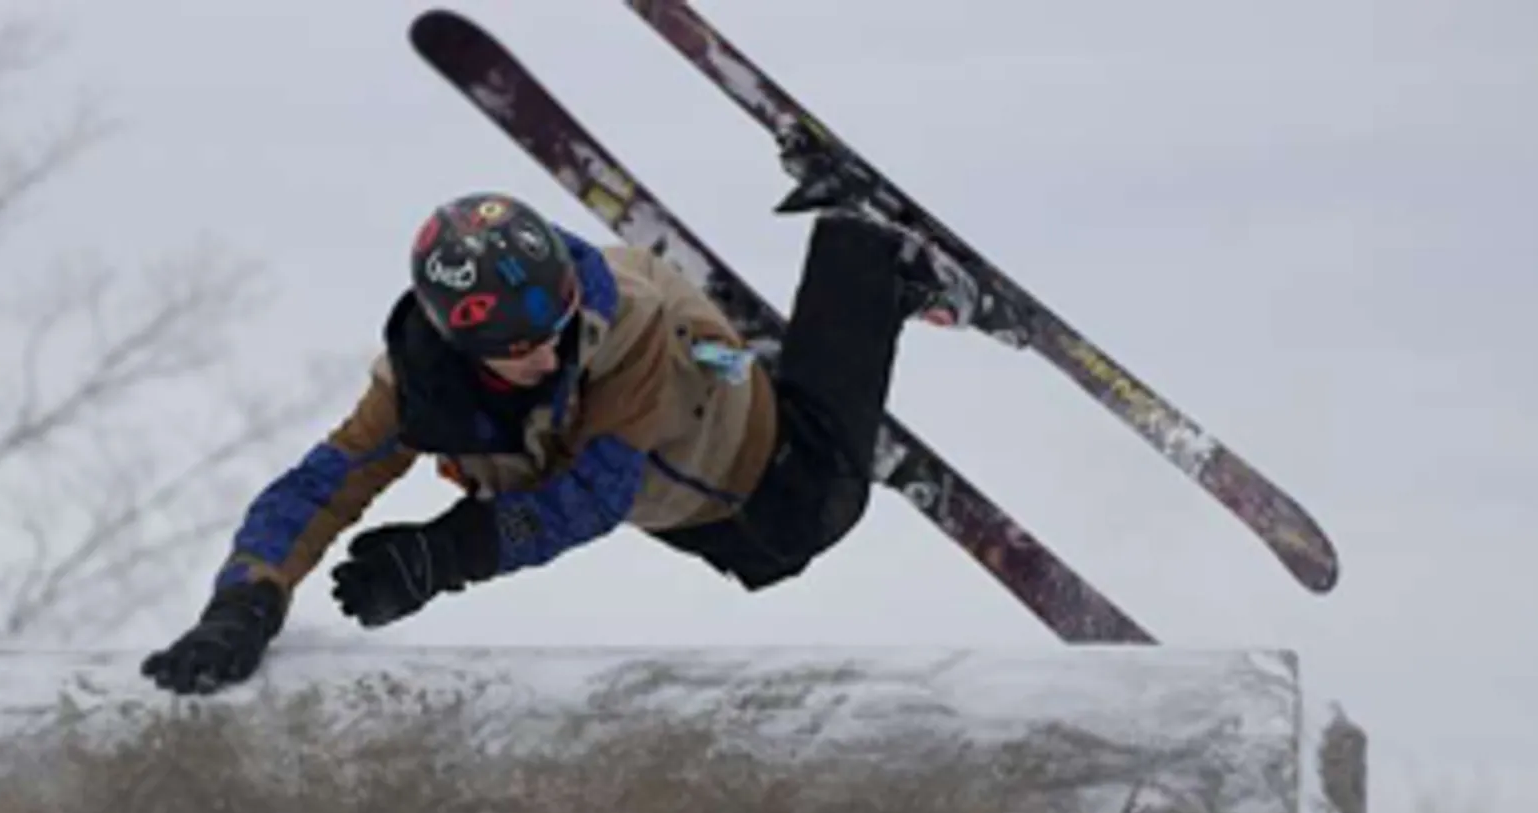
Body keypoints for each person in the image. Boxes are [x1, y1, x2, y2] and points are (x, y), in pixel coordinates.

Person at [140, 180, 984, 696]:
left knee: (819, 507)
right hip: (685, 497)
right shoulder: (414, 386)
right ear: (463, 347)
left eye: (557, 324)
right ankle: (751, 356)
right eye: (520, 349)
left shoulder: (618, 328)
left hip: (729, 447)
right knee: (757, 556)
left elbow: (592, 497)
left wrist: (444, 555)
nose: (550, 353)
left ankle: (868, 255)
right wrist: (243, 605)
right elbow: (319, 487)